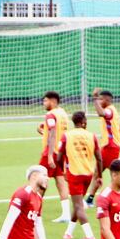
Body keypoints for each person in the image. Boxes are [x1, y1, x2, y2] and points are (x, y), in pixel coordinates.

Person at [57, 111, 102, 239]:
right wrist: (98, 176)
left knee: (78, 205)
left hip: (74, 174)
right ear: (83, 122)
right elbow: (99, 158)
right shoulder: (92, 136)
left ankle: (89, 236)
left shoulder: (66, 136)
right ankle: (68, 232)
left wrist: (63, 171)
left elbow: (59, 157)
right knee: (78, 204)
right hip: (88, 174)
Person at [85, 89, 120, 206]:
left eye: (101, 99)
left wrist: (95, 98)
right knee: (99, 172)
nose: (100, 101)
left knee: (113, 173)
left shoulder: (109, 111)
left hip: (110, 147)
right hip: (110, 146)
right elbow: (119, 127)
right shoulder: (113, 110)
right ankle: (90, 199)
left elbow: (101, 113)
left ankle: (117, 197)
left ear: (107, 100)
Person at [38, 91, 71, 223]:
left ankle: (35, 212)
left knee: (39, 179)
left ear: (53, 101)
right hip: (61, 151)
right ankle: (66, 214)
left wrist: (50, 155)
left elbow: (52, 133)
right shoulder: (63, 113)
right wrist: (42, 131)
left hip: (51, 151)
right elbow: (56, 132)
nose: (44, 103)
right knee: (60, 182)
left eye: (45, 101)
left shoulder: (50, 114)